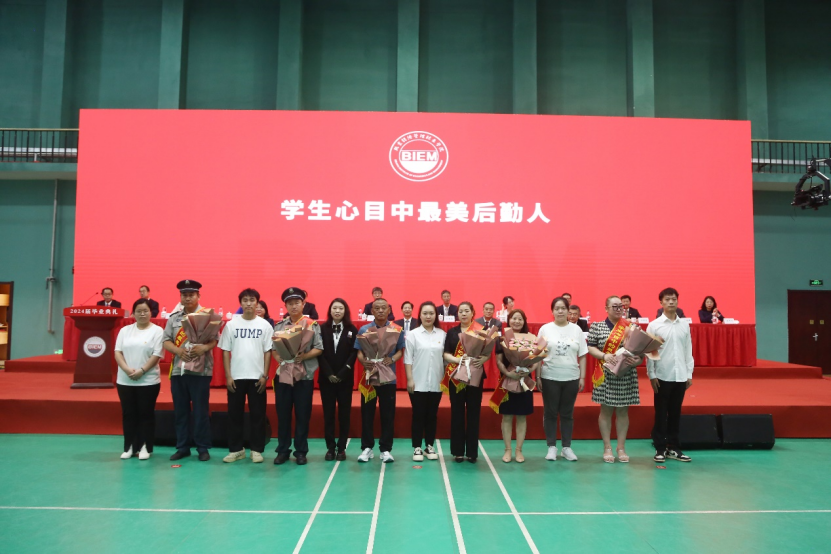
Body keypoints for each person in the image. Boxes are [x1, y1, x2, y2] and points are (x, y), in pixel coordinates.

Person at [162, 279, 218, 462]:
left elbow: (215, 339)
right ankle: (182, 447)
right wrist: (178, 351)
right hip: (179, 371)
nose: (187, 298)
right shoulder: (174, 318)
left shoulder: (208, 316)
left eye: (191, 295)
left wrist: (205, 348)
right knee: (181, 411)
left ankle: (202, 447)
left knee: (201, 411)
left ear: (198, 296)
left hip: (201, 371)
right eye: (184, 295)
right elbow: (166, 341)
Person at [219, 288, 273, 464]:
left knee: (258, 415)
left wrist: (265, 375)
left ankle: (256, 450)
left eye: (252, 300)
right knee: (234, 415)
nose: (249, 303)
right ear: (240, 303)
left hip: (257, 377)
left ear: (257, 303)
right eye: (245, 300)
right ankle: (236, 450)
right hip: (236, 376)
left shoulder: (264, 325)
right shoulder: (231, 325)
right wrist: (228, 376)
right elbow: (225, 351)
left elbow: (268, 351)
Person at [587, 296, 642, 463]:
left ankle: (621, 447)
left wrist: (638, 361)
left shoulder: (631, 327)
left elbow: (641, 351)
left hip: (626, 374)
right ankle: (607, 447)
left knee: (623, 411)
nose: (619, 309)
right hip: (606, 374)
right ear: (606, 308)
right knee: (606, 411)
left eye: (621, 306)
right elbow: (590, 347)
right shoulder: (597, 326)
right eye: (615, 306)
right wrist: (604, 355)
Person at [272, 287, 323, 465]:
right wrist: (279, 358)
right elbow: (273, 349)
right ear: (285, 306)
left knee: (302, 415)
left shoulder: (311, 325)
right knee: (283, 414)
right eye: (290, 303)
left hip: (304, 377)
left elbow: (319, 348)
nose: (293, 306)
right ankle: (283, 450)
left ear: (303, 304)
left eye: (297, 303)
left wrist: (304, 356)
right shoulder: (279, 326)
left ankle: (301, 451)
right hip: (284, 376)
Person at [536, 297, 588, 462]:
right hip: (549, 376)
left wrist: (582, 377)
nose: (560, 311)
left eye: (563, 308)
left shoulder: (576, 330)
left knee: (567, 413)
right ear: (552, 311)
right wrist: (538, 376)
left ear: (568, 311)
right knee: (550, 412)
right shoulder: (545, 329)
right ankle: (551, 447)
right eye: (557, 308)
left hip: (571, 377)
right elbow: (538, 354)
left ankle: (566, 447)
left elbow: (583, 354)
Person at [355, 298, 405, 463]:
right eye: (377, 308)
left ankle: (386, 449)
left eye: (384, 308)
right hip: (369, 377)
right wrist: (364, 362)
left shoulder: (396, 329)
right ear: (372, 311)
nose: (381, 310)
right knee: (367, 413)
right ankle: (367, 448)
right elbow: (359, 351)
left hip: (388, 378)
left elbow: (400, 350)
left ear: (389, 310)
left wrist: (392, 359)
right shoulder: (364, 329)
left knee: (388, 414)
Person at [114, 298, 164, 460]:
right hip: (125, 380)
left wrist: (142, 371)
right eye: (139, 311)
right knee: (128, 414)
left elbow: (157, 354)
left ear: (151, 313)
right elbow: (117, 352)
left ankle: (144, 447)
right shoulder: (125, 330)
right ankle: (129, 447)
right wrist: (127, 370)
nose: (142, 314)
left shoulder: (157, 331)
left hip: (148, 381)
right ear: (133, 313)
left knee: (145, 414)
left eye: (145, 311)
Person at [648, 288, 694, 463]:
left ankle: (674, 448)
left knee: (675, 413)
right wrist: (651, 375)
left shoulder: (684, 325)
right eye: (667, 299)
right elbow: (650, 352)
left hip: (680, 376)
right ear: (661, 302)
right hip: (662, 375)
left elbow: (688, 350)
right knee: (660, 413)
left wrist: (689, 373)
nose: (671, 302)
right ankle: (660, 448)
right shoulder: (654, 325)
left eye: (674, 299)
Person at [443, 301, 490, 463]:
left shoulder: (480, 331)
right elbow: (446, 354)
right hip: (456, 376)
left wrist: (483, 359)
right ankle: (458, 451)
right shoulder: (452, 332)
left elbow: (487, 352)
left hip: (475, 376)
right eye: (461, 311)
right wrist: (458, 360)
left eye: (466, 311)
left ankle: (472, 452)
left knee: (473, 413)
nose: (463, 314)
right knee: (457, 413)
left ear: (472, 313)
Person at [493, 309, 537, 463]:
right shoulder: (502, 338)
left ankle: (519, 450)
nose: (517, 321)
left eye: (520, 319)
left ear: (524, 321)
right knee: (507, 416)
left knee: (522, 416)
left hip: (524, 381)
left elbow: (536, 359)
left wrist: (528, 370)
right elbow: (498, 360)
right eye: (514, 318)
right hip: (507, 380)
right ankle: (507, 449)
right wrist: (507, 373)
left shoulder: (531, 338)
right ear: (508, 320)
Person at [405, 301, 446, 462]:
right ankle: (417, 447)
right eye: (425, 313)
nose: (428, 316)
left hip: (436, 382)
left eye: (431, 313)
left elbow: (445, 359)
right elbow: (408, 359)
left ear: (436, 315)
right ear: (420, 315)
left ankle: (429, 445)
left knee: (432, 415)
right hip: (418, 382)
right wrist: (410, 379)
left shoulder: (442, 334)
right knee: (418, 415)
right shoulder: (413, 335)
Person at [319, 298, 358, 461]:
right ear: (330, 310)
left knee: (344, 414)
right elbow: (319, 351)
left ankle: (341, 448)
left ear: (345, 311)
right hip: (326, 379)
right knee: (328, 414)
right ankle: (330, 448)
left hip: (345, 380)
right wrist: (328, 373)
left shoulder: (352, 329)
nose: (337, 311)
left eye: (340, 308)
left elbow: (354, 353)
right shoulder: (322, 328)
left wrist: (342, 373)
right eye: (334, 308)